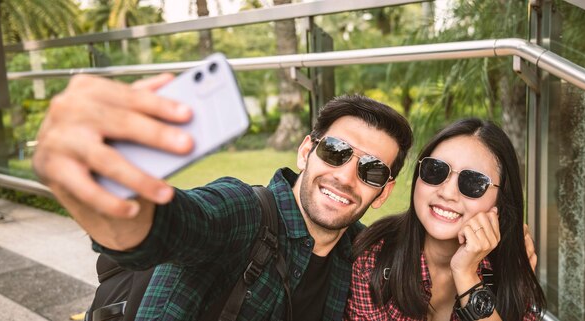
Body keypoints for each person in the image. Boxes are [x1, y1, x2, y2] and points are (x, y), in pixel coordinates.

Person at [31, 73, 414, 321]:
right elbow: (168, 227)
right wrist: (99, 188)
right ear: (305, 152)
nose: (346, 177)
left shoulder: (359, 255)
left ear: (384, 192)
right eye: (335, 150)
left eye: (372, 170)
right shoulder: (244, 211)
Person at [345, 118, 546, 321]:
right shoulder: (374, 261)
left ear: (502, 200)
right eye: (435, 170)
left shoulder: (513, 268)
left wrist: (466, 276)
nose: (448, 193)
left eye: (473, 182)